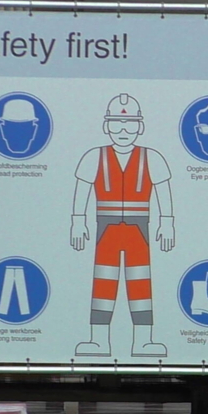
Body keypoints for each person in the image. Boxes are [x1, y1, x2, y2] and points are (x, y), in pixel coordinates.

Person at [70, 94, 175, 358]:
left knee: (140, 284)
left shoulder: (152, 158)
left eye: (129, 124)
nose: (123, 131)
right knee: (103, 283)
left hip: (139, 230)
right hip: (106, 229)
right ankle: (98, 341)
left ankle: (142, 341)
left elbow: (163, 190)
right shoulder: (95, 157)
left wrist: (167, 223)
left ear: (140, 127)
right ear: (106, 126)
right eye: (116, 124)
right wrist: (77, 221)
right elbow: (82, 188)